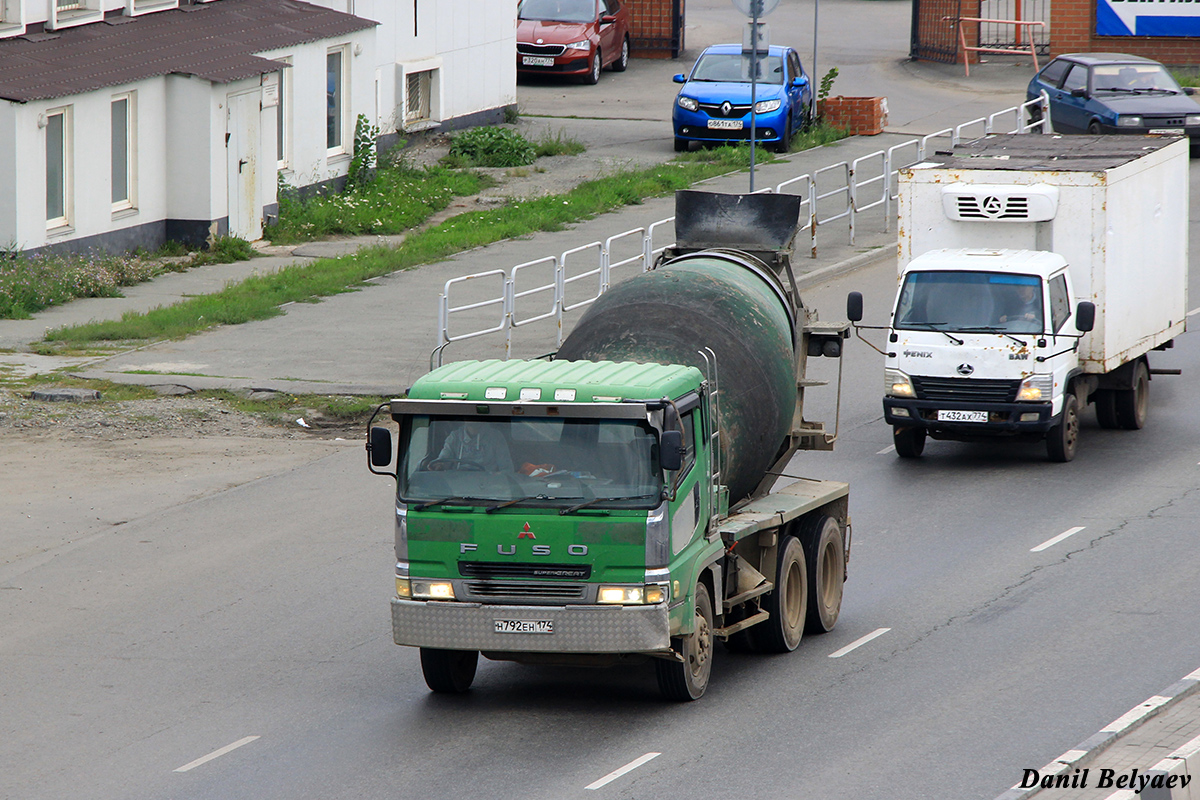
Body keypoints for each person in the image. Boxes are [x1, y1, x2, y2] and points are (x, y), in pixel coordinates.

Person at [434, 420, 513, 472]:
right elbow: (444, 459)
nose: (470, 417)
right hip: (458, 484)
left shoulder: (496, 437)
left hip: (487, 486)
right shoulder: (454, 436)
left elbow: (506, 468)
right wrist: (439, 465)